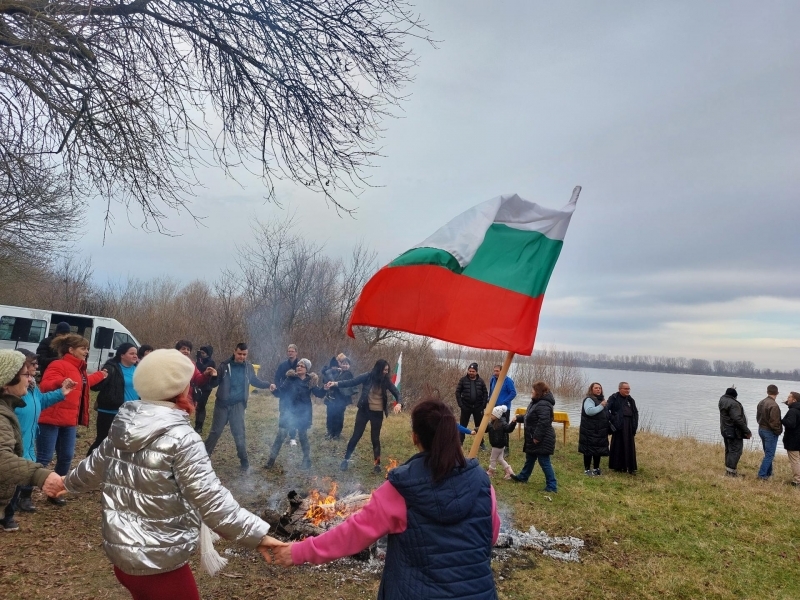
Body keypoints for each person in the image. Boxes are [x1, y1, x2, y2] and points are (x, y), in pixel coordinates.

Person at [50, 349, 281, 600]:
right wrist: (258, 536)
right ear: (180, 388)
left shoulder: (123, 424)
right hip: (158, 564)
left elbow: (93, 466)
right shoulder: (182, 438)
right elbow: (211, 500)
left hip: (122, 557)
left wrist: (68, 482)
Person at [264, 398, 501, 600]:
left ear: (414, 438)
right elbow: (489, 537)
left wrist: (299, 552)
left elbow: (351, 535)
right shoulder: (482, 482)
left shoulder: (401, 489)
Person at [0, 350, 67, 532]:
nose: (30, 379)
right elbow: (2, 459)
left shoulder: (12, 404)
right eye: (26, 374)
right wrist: (42, 476)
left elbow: (42, 401)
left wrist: (62, 393)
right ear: (7, 380)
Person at [37, 334, 108, 505]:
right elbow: (45, 385)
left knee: (67, 457)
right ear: (71, 350)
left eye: (87, 348)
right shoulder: (58, 364)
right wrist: (61, 381)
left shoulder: (79, 369)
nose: (87, 351)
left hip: (68, 421)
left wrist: (101, 375)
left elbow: (84, 383)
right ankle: (23, 494)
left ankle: (55, 492)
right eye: (83, 348)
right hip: (50, 419)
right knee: (44, 458)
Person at [204, 343, 270, 470]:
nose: (242, 357)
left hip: (238, 405)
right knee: (215, 432)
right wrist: (213, 376)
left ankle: (244, 462)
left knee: (239, 433)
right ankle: (203, 458)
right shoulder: (224, 366)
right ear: (234, 352)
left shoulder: (248, 367)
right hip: (222, 405)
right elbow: (214, 384)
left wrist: (268, 385)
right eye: (239, 354)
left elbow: (254, 381)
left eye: (244, 354)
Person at [330, 359, 402, 474]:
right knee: (356, 435)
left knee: (375, 438)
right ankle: (346, 460)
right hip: (364, 411)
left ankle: (377, 464)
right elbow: (351, 382)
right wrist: (336, 384)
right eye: (384, 370)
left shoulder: (386, 380)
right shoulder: (367, 376)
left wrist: (399, 403)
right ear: (378, 369)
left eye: (387, 370)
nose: (386, 372)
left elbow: (396, 392)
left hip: (377, 413)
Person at [266, 359, 326, 471]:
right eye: (298, 365)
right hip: (289, 411)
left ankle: (306, 460)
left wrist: (325, 388)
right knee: (281, 435)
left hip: (303, 413)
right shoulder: (290, 379)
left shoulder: (311, 381)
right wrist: (274, 390)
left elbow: (319, 394)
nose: (298, 367)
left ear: (307, 369)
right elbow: (281, 392)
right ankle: (271, 460)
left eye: (302, 366)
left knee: (303, 436)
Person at [87, 343, 139, 455]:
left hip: (131, 413)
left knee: (124, 442)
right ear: (122, 355)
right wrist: (98, 376)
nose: (135, 356)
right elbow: (95, 386)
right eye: (131, 353)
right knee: (103, 441)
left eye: (136, 353)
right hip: (110, 412)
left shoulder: (138, 369)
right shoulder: (111, 368)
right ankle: (88, 464)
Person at [511, 381, 557, 491]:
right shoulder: (536, 402)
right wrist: (518, 418)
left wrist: (537, 437)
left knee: (544, 462)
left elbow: (544, 422)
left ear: (538, 392)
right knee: (530, 458)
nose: (531, 391)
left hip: (542, 438)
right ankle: (523, 477)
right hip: (533, 437)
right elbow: (530, 417)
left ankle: (552, 486)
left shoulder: (544, 404)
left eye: (533, 390)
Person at [718, 386, 751, 477]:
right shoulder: (734, 404)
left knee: (729, 450)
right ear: (734, 396)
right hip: (734, 431)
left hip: (725, 429)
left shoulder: (722, 400)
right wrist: (746, 431)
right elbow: (737, 419)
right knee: (736, 451)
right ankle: (731, 473)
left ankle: (729, 470)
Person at [578, 382, 610, 476]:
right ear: (591, 389)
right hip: (589, 429)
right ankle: (587, 470)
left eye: (599, 388)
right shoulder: (589, 399)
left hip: (600, 430)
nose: (598, 389)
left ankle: (596, 468)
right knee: (588, 449)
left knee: (598, 449)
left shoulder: (601, 400)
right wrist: (601, 406)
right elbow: (589, 411)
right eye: (596, 388)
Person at [608, 382, 639, 475]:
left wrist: (634, 425)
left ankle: (630, 467)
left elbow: (635, 413)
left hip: (629, 426)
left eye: (629, 389)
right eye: (625, 389)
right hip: (618, 426)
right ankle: (618, 466)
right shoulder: (613, 398)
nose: (628, 391)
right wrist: (613, 419)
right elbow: (606, 409)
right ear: (620, 389)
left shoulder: (631, 400)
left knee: (629, 446)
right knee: (618, 445)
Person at [271, 344, 300, 446]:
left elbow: (304, 378)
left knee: (294, 415)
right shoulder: (283, 365)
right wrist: (279, 388)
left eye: (292, 351)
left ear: (296, 352)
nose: (290, 353)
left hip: (296, 395)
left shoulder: (300, 365)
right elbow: (276, 378)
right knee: (283, 414)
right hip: (284, 394)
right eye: (289, 351)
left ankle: (292, 438)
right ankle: (281, 435)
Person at [322, 354, 354, 440]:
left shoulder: (348, 374)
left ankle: (337, 434)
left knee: (339, 417)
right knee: (330, 415)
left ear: (349, 366)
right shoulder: (339, 372)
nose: (345, 365)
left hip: (341, 400)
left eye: (347, 364)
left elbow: (342, 383)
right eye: (343, 363)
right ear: (340, 364)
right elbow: (325, 371)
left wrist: (334, 383)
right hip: (332, 398)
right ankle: (330, 432)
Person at [455, 363, 488, 448]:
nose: (471, 372)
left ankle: (481, 443)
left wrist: (483, 405)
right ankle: (460, 442)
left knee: (479, 426)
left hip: (478, 407)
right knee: (463, 425)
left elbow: (485, 393)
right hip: (466, 407)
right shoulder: (463, 380)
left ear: (476, 372)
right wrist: (461, 405)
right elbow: (457, 392)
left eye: (473, 371)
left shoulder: (481, 381)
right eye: (470, 371)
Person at [756, 384, 782, 481]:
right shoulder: (774, 405)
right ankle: (762, 475)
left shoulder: (761, 402)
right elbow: (775, 422)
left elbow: (757, 417)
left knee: (768, 453)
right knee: (770, 454)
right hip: (769, 431)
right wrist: (778, 431)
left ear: (767, 392)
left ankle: (769, 472)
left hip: (761, 429)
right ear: (777, 393)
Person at [486, 405, 516, 479]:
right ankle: (509, 472)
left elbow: (509, 429)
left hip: (497, 446)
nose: (491, 415)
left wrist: (513, 423)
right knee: (500, 459)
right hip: (500, 445)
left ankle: (490, 472)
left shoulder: (502, 423)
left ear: (497, 415)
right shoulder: (491, 423)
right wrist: (477, 429)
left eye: (492, 414)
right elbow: (485, 429)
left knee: (492, 459)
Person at [193, 345, 216, 434]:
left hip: (206, 387)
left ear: (208, 354)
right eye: (200, 353)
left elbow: (202, 369)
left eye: (203, 353)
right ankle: (197, 425)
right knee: (197, 406)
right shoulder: (201, 360)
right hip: (199, 386)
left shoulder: (211, 362)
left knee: (201, 406)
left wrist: (198, 360)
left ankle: (199, 427)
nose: (201, 355)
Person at [781, 392, 800, 487]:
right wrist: (788, 405)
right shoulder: (796, 409)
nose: (787, 398)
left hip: (794, 439)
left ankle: (798, 480)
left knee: (795, 460)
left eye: (789, 397)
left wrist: (782, 420)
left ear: (794, 400)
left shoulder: (793, 411)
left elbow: (791, 424)